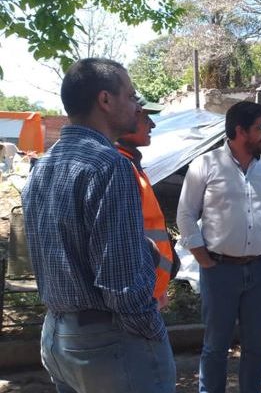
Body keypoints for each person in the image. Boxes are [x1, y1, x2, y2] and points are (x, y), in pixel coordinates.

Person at [21, 58, 175, 393]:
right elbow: (121, 284)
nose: (137, 107)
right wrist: (150, 325)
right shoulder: (110, 165)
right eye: (132, 96)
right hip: (108, 341)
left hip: (57, 335)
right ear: (105, 100)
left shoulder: (42, 165)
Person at [176, 101, 261, 393]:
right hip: (219, 271)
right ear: (240, 131)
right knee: (215, 347)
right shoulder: (206, 165)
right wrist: (202, 257)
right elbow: (186, 214)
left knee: (257, 347)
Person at [116, 95, 178, 310]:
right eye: (144, 118)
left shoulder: (131, 164)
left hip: (150, 293)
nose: (152, 124)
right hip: (140, 300)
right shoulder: (119, 168)